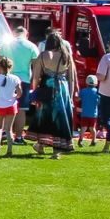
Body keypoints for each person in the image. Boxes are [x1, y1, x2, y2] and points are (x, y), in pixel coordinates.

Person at [29, 28, 77, 158]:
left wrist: (35, 92)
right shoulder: (67, 56)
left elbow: (36, 77)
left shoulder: (43, 55)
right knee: (60, 118)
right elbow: (71, 78)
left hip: (47, 87)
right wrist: (71, 95)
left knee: (45, 117)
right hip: (63, 89)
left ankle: (41, 144)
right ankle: (55, 150)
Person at [0, 29, 40, 140]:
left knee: (6, 107)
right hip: (24, 80)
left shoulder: (6, 45)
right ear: (27, 34)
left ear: (14, 33)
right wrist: (34, 82)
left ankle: (5, 133)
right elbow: (36, 66)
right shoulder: (31, 46)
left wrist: (1, 75)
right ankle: (18, 137)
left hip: (7, 79)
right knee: (21, 109)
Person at [0, 55, 24, 157]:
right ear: (11, 67)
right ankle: (9, 149)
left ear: (0, 66)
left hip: (0, 105)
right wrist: (14, 96)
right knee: (9, 129)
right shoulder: (15, 78)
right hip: (11, 105)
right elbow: (19, 93)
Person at [74, 75, 101, 147]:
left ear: (86, 82)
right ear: (96, 83)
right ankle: (94, 141)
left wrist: (75, 95)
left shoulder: (83, 91)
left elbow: (77, 99)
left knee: (83, 127)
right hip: (93, 114)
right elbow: (99, 102)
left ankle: (80, 140)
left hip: (84, 113)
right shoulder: (97, 92)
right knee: (92, 128)